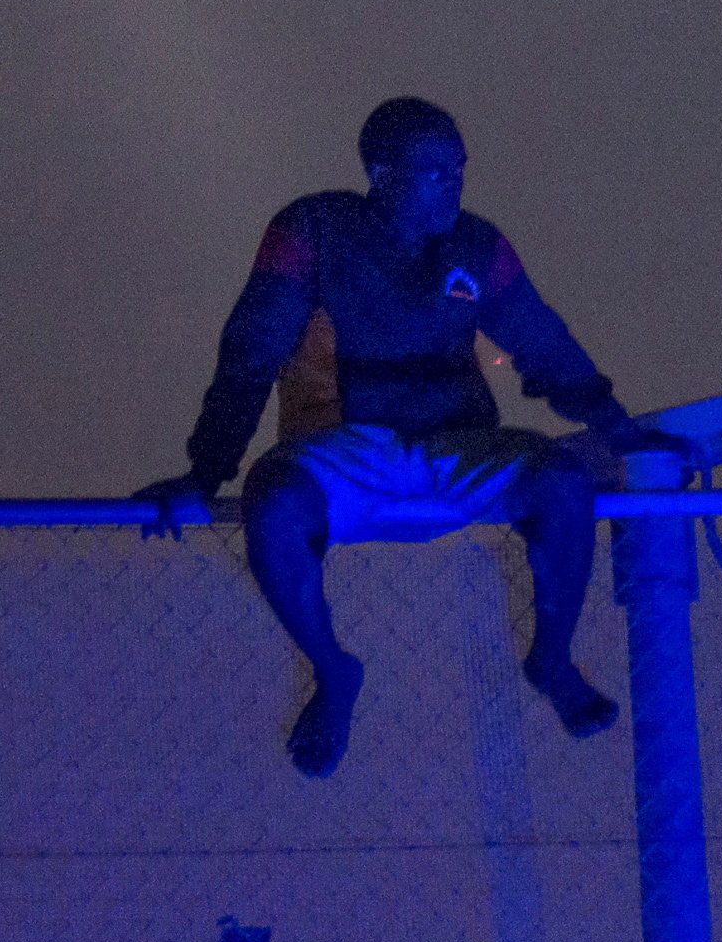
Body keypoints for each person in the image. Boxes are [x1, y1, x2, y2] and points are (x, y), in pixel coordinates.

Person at [135, 96, 643, 777]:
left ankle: (551, 656)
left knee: (561, 480)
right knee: (272, 500)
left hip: (456, 441)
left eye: (459, 169)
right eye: (433, 172)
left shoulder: (477, 246)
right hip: (353, 444)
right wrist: (206, 472)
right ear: (380, 172)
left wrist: (623, 432)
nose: (453, 184)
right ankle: (334, 671)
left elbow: (543, 343)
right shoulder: (311, 230)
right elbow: (251, 350)